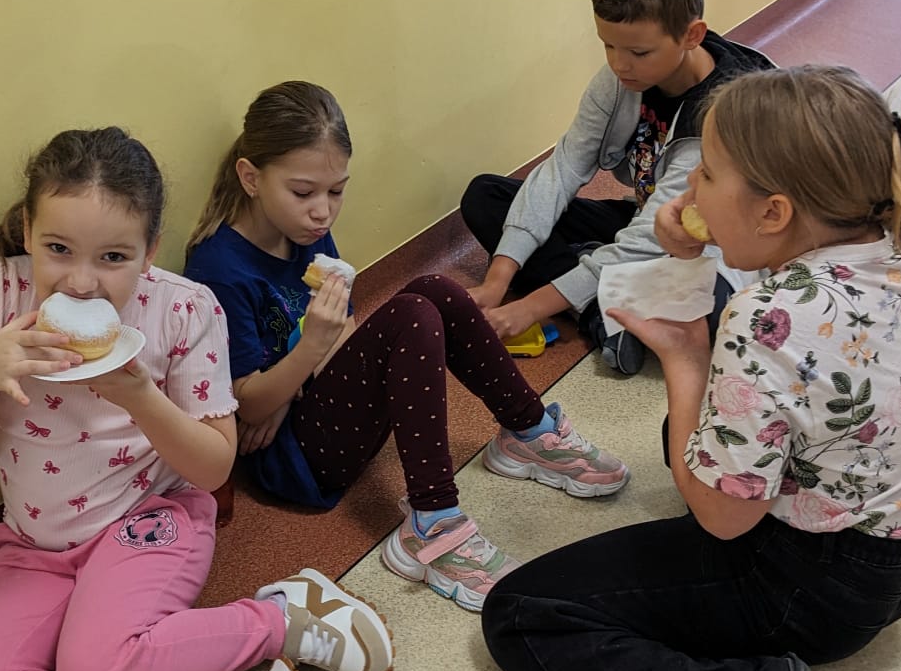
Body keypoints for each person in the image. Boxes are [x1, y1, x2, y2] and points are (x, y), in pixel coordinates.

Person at [482, 67, 901, 671]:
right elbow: (773, 304)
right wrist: (690, 252)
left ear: (775, 211)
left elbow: (722, 519)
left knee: (526, 614)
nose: (688, 191)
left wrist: (685, 359)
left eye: (707, 175)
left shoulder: (768, 316)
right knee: (687, 437)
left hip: (817, 591)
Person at [0, 126, 395, 671]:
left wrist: (139, 396)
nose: (81, 281)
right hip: (33, 545)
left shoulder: (183, 308)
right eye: (57, 249)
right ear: (28, 231)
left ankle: (283, 619)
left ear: (150, 250)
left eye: (114, 257)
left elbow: (214, 467)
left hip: (151, 519)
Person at [185, 82, 627, 612]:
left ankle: (528, 430)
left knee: (436, 290)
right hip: (291, 462)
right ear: (251, 177)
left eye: (336, 191)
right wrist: (303, 362)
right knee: (411, 315)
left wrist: (296, 378)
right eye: (303, 192)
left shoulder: (303, 230)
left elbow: (344, 327)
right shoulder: (218, 269)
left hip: (305, 401)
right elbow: (246, 412)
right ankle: (432, 522)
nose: (323, 212)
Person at [461, 0, 773, 374]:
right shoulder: (620, 77)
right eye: (608, 45)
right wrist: (497, 281)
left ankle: (594, 297)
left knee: (713, 311)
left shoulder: (725, 110)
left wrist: (526, 308)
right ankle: (601, 310)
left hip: (708, 251)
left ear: (692, 35)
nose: (618, 64)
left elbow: (651, 239)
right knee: (485, 197)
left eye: (639, 53)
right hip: (645, 221)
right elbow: (563, 169)